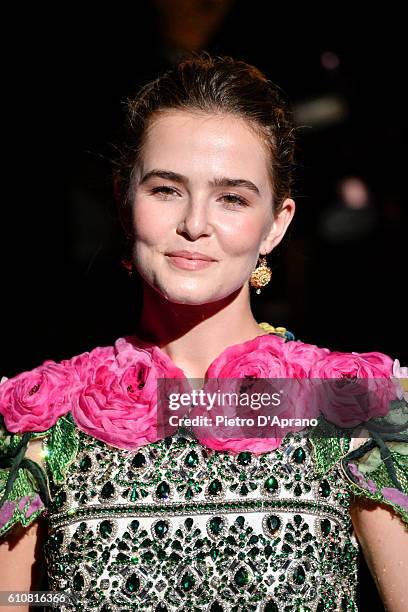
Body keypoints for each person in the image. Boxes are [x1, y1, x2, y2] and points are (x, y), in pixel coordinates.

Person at [0, 52, 407, 612]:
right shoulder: (41, 415)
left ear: (277, 223)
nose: (194, 224)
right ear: (124, 200)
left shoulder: (353, 403)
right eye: (166, 189)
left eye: (232, 198)